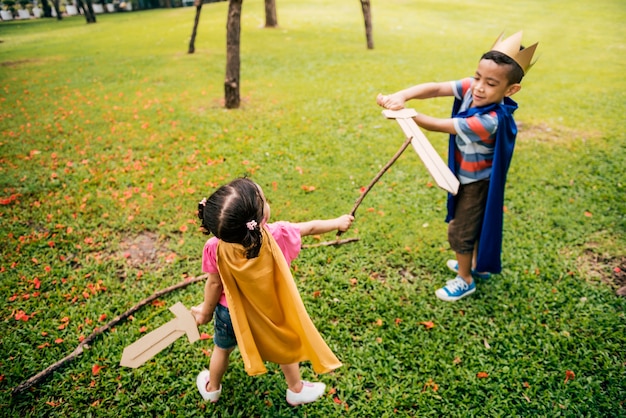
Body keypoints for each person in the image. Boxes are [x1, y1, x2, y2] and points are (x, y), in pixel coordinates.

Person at [377, 31, 538, 302]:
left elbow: (444, 126)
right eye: (477, 77)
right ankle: (474, 265)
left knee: (460, 230)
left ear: (510, 90)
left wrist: (405, 112)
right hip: (465, 175)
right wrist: (401, 95)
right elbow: (436, 88)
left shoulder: (491, 119)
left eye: (490, 83)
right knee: (472, 225)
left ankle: (465, 278)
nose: (478, 87)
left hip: (476, 183)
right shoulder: (474, 90)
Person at [192, 177, 354, 405]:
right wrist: (338, 222)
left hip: (229, 314)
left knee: (221, 348)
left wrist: (206, 312)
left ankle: (212, 388)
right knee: (283, 346)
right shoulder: (278, 234)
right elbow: (312, 227)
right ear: (262, 217)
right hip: (270, 310)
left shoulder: (213, 247)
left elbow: (214, 284)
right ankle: (295, 390)